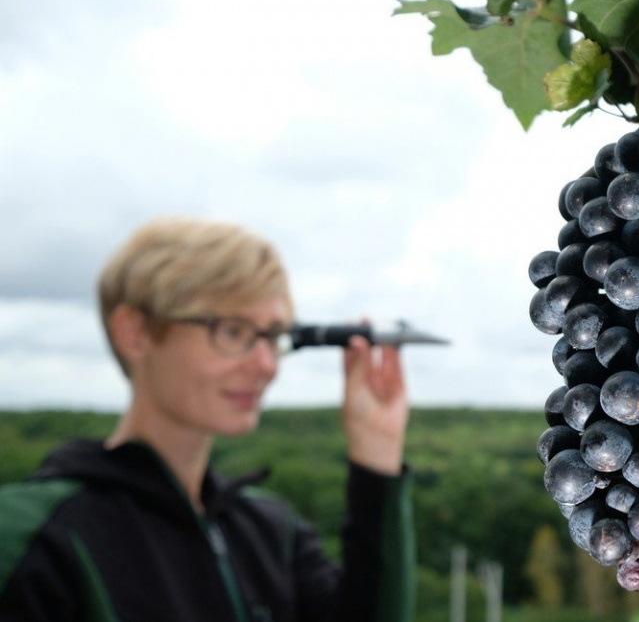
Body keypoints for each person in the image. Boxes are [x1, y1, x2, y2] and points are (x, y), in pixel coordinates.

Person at [0, 217, 415, 622]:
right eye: (233, 332)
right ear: (135, 333)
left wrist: (376, 452)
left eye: (272, 335)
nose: (265, 364)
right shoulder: (34, 537)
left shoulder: (272, 533)